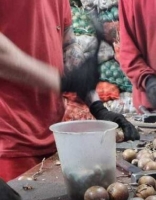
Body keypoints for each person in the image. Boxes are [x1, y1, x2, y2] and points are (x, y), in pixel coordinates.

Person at [0, 0, 139, 182]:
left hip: (52, 134)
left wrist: (97, 106)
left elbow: (68, 45)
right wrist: (61, 81)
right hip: (9, 141)